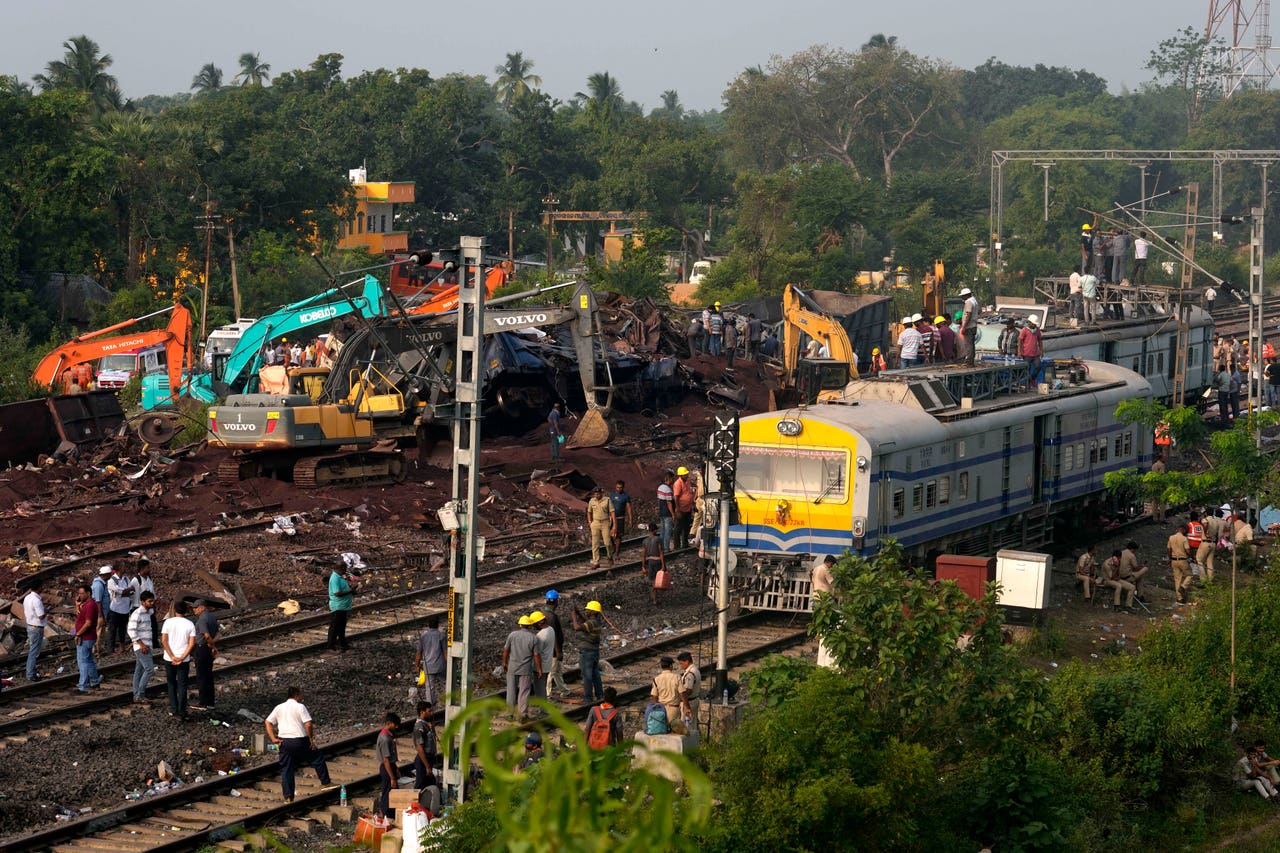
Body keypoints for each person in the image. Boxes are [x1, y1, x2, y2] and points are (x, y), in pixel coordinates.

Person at [264, 686, 335, 804]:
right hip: (299, 740)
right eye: (300, 694)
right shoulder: (300, 707)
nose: (301, 697)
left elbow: (268, 722)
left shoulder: (279, 707)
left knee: (286, 769)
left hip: (284, 742)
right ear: (296, 695)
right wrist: (311, 739)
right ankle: (326, 783)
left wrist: (273, 738)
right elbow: (308, 725)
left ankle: (288, 797)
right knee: (317, 758)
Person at [502, 614, 541, 722]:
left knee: (511, 690)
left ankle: (509, 713)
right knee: (524, 692)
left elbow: (506, 650)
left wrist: (504, 662)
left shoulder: (512, 635)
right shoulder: (533, 638)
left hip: (512, 667)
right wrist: (539, 669)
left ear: (520, 624)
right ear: (529, 625)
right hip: (525, 669)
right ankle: (522, 715)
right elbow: (536, 655)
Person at [161, 600, 195, 719]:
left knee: (171, 684)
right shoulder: (190, 624)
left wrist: (171, 656)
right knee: (182, 685)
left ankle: (174, 709)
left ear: (174, 610)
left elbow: (164, 640)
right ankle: (182, 710)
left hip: (169, 658)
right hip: (183, 660)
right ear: (186, 611)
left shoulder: (168, 623)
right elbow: (191, 644)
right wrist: (182, 657)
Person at [571, 600, 604, 705]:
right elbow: (586, 622)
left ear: (593, 612)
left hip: (587, 652)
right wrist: (579, 613)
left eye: (588, 610)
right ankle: (600, 695)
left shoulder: (591, 623)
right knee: (595, 674)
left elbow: (577, 628)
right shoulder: (596, 622)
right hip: (594, 651)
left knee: (587, 675)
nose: (586, 611)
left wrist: (574, 617)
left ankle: (588, 698)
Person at [127, 591, 156, 704]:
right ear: (142, 602)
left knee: (139, 670)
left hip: (145, 645)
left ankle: (136, 695)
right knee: (149, 669)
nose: (151, 603)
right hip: (142, 646)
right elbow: (131, 630)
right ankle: (140, 694)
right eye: (149, 601)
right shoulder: (137, 613)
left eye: (152, 601)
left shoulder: (149, 612)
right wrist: (141, 644)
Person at [72, 583, 102, 694]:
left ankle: (83, 686)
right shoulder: (86, 604)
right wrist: (77, 605)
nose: (79, 595)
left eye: (81, 593)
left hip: (85, 637)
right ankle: (94, 682)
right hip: (87, 636)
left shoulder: (90, 605)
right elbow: (80, 617)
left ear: (88, 593)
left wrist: (78, 634)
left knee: (83, 662)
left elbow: (88, 623)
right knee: (89, 660)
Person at [191, 599, 219, 710]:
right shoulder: (212, 617)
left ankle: (203, 702)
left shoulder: (202, 619)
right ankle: (210, 702)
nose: (194, 610)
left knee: (202, 676)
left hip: (202, 648)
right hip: (208, 649)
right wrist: (213, 646)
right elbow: (218, 634)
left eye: (196, 607)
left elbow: (206, 636)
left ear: (202, 607)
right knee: (209, 675)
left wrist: (210, 644)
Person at [414, 616, 447, 706]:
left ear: (429, 625)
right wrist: (449, 663)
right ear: (437, 625)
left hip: (428, 666)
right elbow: (445, 652)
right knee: (447, 682)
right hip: (441, 666)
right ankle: (449, 700)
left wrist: (417, 665)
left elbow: (419, 653)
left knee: (429, 687)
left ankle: (430, 705)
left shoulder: (423, 636)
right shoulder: (441, 636)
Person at [812, 554, 837, 667]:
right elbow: (832, 583)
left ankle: (817, 631)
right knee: (825, 614)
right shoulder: (826, 570)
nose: (832, 566)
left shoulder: (816, 568)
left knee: (818, 614)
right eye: (832, 564)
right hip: (825, 596)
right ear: (829, 563)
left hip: (816, 594)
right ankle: (821, 632)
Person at [543, 590, 569, 699]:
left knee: (557, 671)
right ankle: (547, 694)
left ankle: (564, 690)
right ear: (556, 601)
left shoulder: (545, 614)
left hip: (548, 649)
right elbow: (553, 635)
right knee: (551, 672)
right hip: (553, 651)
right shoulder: (552, 617)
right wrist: (558, 652)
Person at [375, 711, 401, 816]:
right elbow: (386, 760)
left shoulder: (387, 735)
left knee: (393, 791)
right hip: (387, 768)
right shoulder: (385, 739)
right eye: (395, 725)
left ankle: (392, 813)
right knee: (387, 791)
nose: (396, 727)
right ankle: (386, 813)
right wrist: (392, 778)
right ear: (389, 723)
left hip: (390, 767)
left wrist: (396, 769)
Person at [327, 562, 355, 651]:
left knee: (341, 627)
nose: (345, 571)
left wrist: (351, 590)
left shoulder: (339, 577)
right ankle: (331, 646)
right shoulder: (335, 578)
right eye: (344, 569)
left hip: (343, 606)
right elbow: (337, 593)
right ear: (340, 568)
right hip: (338, 606)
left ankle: (343, 644)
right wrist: (350, 591)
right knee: (335, 627)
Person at [105, 565, 132, 654]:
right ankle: (111, 650)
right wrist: (125, 591)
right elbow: (119, 591)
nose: (125, 568)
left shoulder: (126, 579)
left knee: (122, 629)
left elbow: (132, 590)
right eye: (122, 566)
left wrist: (123, 592)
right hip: (115, 609)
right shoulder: (111, 580)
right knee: (112, 630)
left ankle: (122, 648)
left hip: (125, 609)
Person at [411, 701, 438, 792]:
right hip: (423, 761)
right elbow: (420, 748)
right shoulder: (419, 726)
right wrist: (427, 766)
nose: (431, 713)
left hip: (428, 759)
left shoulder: (426, 725)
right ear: (422, 712)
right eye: (429, 711)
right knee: (420, 786)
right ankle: (414, 805)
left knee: (431, 784)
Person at [22, 580, 46, 682]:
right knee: (34, 652)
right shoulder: (36, 600)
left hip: (30, 626)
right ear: (39, 587)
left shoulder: (27, 597)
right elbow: (41, 616)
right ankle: (31, 675)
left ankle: (31, 672)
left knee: (32, 651)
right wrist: (47, 610)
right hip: (36, 628)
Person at [650, 656, 682, 726]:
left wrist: (657, 709)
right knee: (673, 730)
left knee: (661, 729)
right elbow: (682, 693)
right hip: (674, 709)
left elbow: (654, 697)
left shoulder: (656, 679)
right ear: (671, 666)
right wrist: (687, 707)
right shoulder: (677, 677)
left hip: (661, 709)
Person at [586, 486, 612, 569]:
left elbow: (612, 512)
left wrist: (614, 524)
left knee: (607, 543)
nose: (597, 495)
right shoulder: (591, 501)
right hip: (595, 522)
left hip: (605, 522)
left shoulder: (607, 500)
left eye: (598, 493)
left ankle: (610, 556)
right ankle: (596, 562)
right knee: (595, 544)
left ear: (601, 493)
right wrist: (590, 522)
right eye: (595, 493)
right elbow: (589, 512)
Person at [531, 611, 555, 701]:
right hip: (547, 665)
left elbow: (537, 654)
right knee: (543, 688)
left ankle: (543, 711)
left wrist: (539, 669)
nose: (533, 626)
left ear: (539, 623)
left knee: (539, 690)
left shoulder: (540, 636)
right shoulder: (551, 629)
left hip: (540, 667)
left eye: (534, 624)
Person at [1168, 523, 1193, 605]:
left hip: (1174, 560)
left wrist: (1170, 559)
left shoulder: (1171, 537)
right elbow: (1188, 551)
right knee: (1189, 575)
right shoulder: (1184, 539)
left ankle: (1179, 598)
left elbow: (1169, 550)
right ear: (1183, 530)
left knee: (1177, 579)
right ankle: (1183, 587)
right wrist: (1192, 557)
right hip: (1183, 561)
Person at [608, 480, 634, 560]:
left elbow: (629, 508)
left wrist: (630, 519)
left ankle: (617, 552)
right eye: (617, 487)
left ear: (623, 488)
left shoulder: (625, 496)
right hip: (611, 518)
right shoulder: (612, 495)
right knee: (609, 535)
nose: (618, 489)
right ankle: (613, 547)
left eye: (620, 487)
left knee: (618, 536)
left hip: (620, 518)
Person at [673, 466, 698, 547]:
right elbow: (676, 497)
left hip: (688, 509)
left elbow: (690, 493)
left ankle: (685, 544)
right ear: (680, 475)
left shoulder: (687, 482)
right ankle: (677, 546)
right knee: (678, 529)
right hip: (681, 509)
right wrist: (677, 509)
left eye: (686, 474)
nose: (686, 476)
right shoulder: (678, 483)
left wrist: (693, 505)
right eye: (684, 475)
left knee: (686, 527)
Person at [676, 651, 702, 728]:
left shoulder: (690, 674)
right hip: (694, 700)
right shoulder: (695, 670)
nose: (681, 666)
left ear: (687, 661)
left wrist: (680, 695)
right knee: (692, 724)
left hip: (689, 702)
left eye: (681, 663)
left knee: (686, 725)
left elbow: (688, 690)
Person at [642, 526, 666, 606]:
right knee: (659, 580)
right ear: (655, 530)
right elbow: (661, 552)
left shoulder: (645, 541)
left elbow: (643, 555)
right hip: (658, 561)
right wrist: (663, 565)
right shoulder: (658, 539)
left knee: (652, 580)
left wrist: (643, 566)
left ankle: (654, 599)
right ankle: (659, 597)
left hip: (650, 561)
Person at [1019, 317, 1043, 387]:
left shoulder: (1037, 330)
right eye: (1033, 324)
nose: (1034, 325)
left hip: (1035, 354)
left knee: (1038, 366)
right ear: (1030, 323)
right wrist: (1019, 352)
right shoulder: (1024, 330)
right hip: (1026, 354)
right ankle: (1028, 383)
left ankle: (1032, 379)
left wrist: (1041, 350)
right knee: (1027, 369)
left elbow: (1040, 341)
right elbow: (1020, 341)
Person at [656, 470, 676, 552]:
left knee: (662, 531)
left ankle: (661, 548)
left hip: (661, 512)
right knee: (668, 531)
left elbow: (659, 500)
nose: (673, 480)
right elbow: (669, 503)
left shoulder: (660, 487)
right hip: (667, 514)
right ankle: (666, 548)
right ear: (670, 479)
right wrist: (673, 514)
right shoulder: (668, 490)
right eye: (672, 479)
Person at [959, 287, 980, 366]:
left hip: (969, 326)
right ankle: (971, 360)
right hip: (973, 325)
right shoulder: (974, 301)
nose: (962, 298)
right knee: (971, 344)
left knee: (968, 344)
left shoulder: (968, 302)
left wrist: (964, 326)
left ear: (966, 295)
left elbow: (968, 314)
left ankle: (969, 361)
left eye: (963, 296)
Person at [91, 566, 111, 637]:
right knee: (98, 633)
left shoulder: (103, 584)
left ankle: (98, 647)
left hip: (103, 613)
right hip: (99, 614)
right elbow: (98, 602)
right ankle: (96, 647)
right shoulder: (99, 585)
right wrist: (101, 616)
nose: (110, 576)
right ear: (105, 575)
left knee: (100, 633)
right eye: (109, 574)